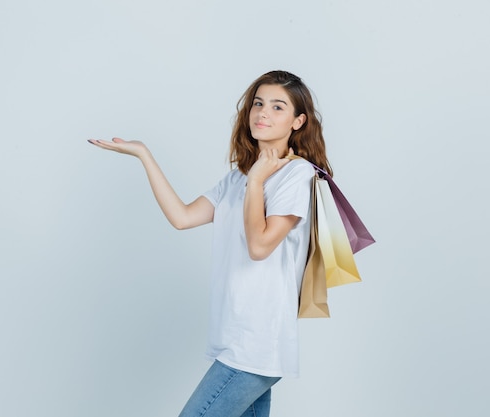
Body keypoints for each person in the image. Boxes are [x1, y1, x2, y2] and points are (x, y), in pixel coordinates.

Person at [88, 70, 332, 417]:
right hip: (234, 336)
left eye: (278, 107)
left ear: (298, 121)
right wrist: (144, 155)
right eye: (258, 104)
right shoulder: (237, 179)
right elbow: (182, 217)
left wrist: (259, 179)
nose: (263, 113)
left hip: (258, 343)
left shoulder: (298, 175)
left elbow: (259, 246)